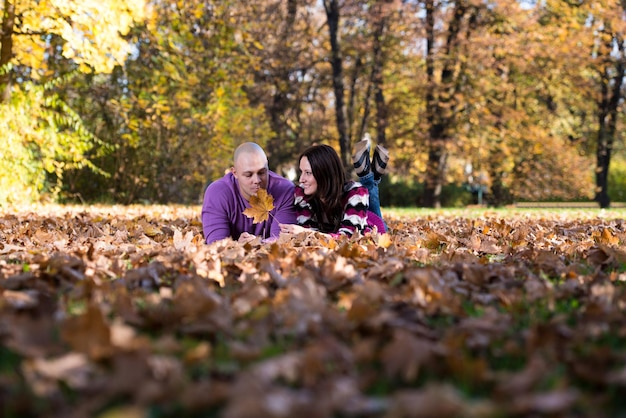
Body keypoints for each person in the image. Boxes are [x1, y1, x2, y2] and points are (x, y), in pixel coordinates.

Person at [280, 138, 389, 237]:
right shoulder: (301, 193)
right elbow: (307, 231)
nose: (301, 179)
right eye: (301, 172)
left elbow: (348, 238)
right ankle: (371, 177)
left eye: (308, 173)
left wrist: (306, 233)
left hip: (367, 225)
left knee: (369, 197)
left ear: (325, 173)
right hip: (342, 224)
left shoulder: (356, 192)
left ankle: (369, 179)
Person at [201, 142, 296, 244]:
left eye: (262, 172)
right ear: (235, 173)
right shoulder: (217, 193)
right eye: (248, 175)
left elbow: (283, 241)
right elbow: (216, 244)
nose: (257, 180)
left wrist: (256, 244)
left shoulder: (285, 190)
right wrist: (238, 246)